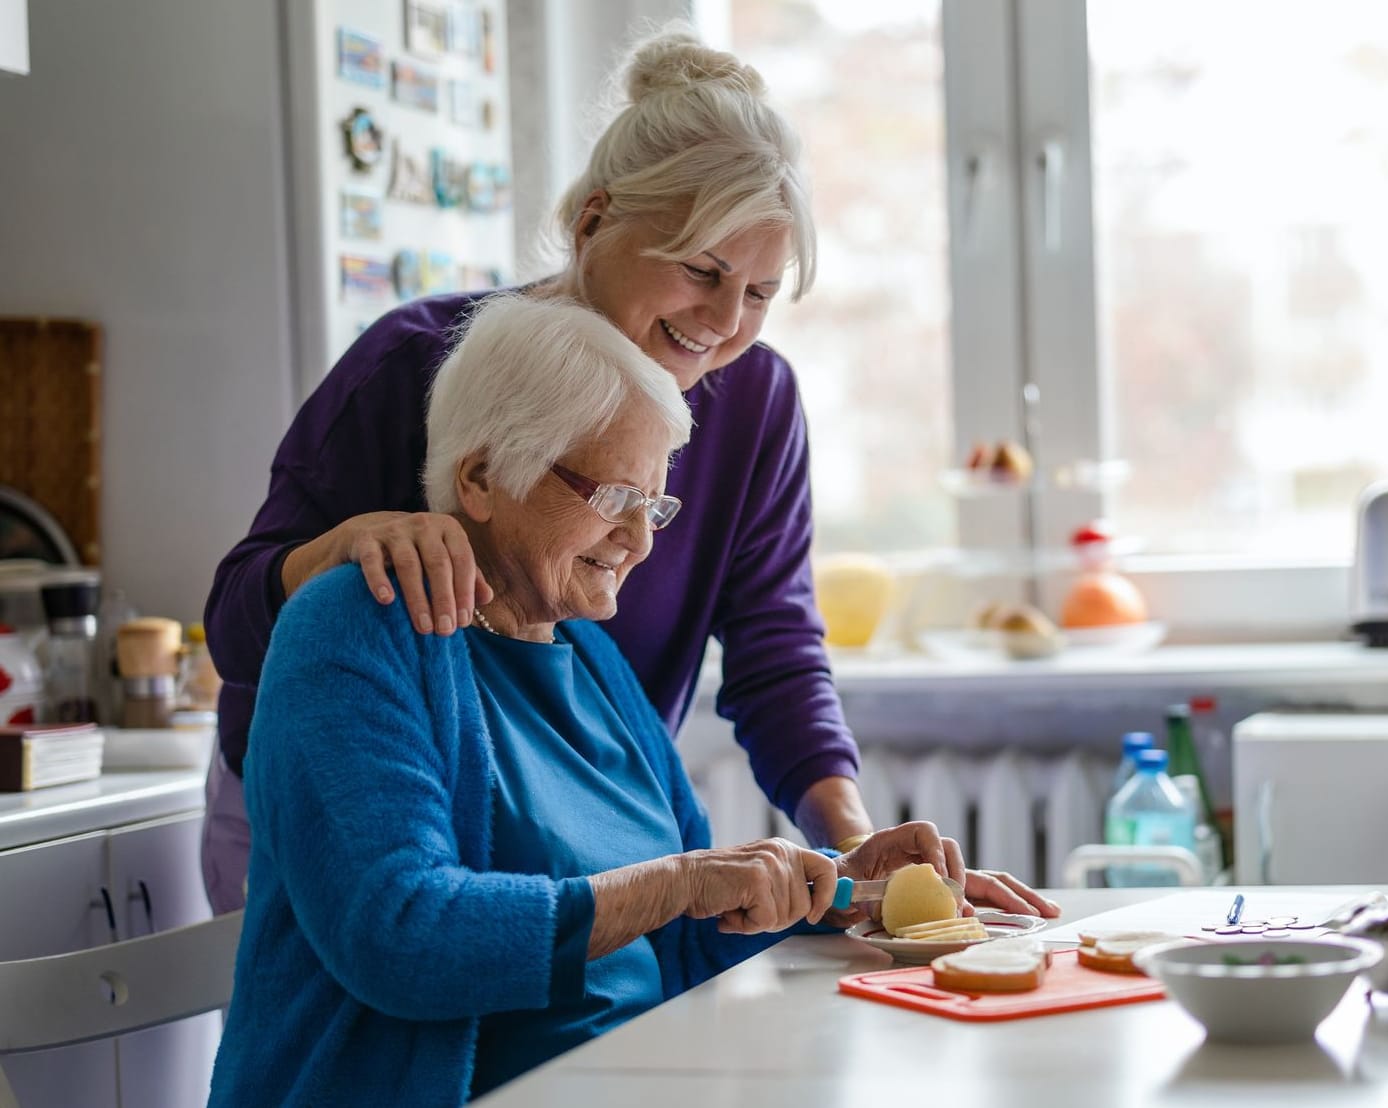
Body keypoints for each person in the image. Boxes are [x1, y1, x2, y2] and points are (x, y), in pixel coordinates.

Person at [201, 27, 1057, 921]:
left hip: (559, 836)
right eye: (702, 269)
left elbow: (774, 648)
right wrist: (340, 548)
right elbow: (234, 625)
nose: (726, 320)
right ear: (592, 220)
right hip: (345, 825)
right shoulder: (415, 364)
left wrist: (847, 843)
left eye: (761, 292)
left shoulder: (753, 401)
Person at [207, 294, 969, 1105]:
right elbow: (402, 935)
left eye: (654, 505)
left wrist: (840, 888)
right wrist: (679, 880)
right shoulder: (356, 629)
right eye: (612, 498)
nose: (640, 540)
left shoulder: (593, 660)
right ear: (482, 476)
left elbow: (684, 935)